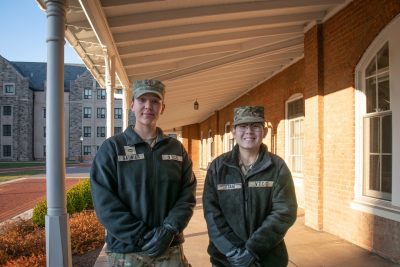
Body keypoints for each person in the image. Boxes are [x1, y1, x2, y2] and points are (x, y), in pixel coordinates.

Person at [90, 79, 197, 267]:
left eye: (155, 101)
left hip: (169, 248)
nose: (149, 106)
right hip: (127, 251)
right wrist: (141, 236)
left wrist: (170, 229)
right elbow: (104, 201)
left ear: (162, 108)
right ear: (132, 105)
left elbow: (187, 194)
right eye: (142, 100)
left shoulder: (176, 149)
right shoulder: (113, 148)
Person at [203, 106, 298, 267]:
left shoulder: (277, 167)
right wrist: (232, 250)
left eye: (255, 126)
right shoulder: (218, 167)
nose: (249, 131)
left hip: (267, 259)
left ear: (265, 132)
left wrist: (253, 249)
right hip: (226, 260)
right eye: (243, 126)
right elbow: (212, 214)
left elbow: (284, 212)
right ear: (233, 132)